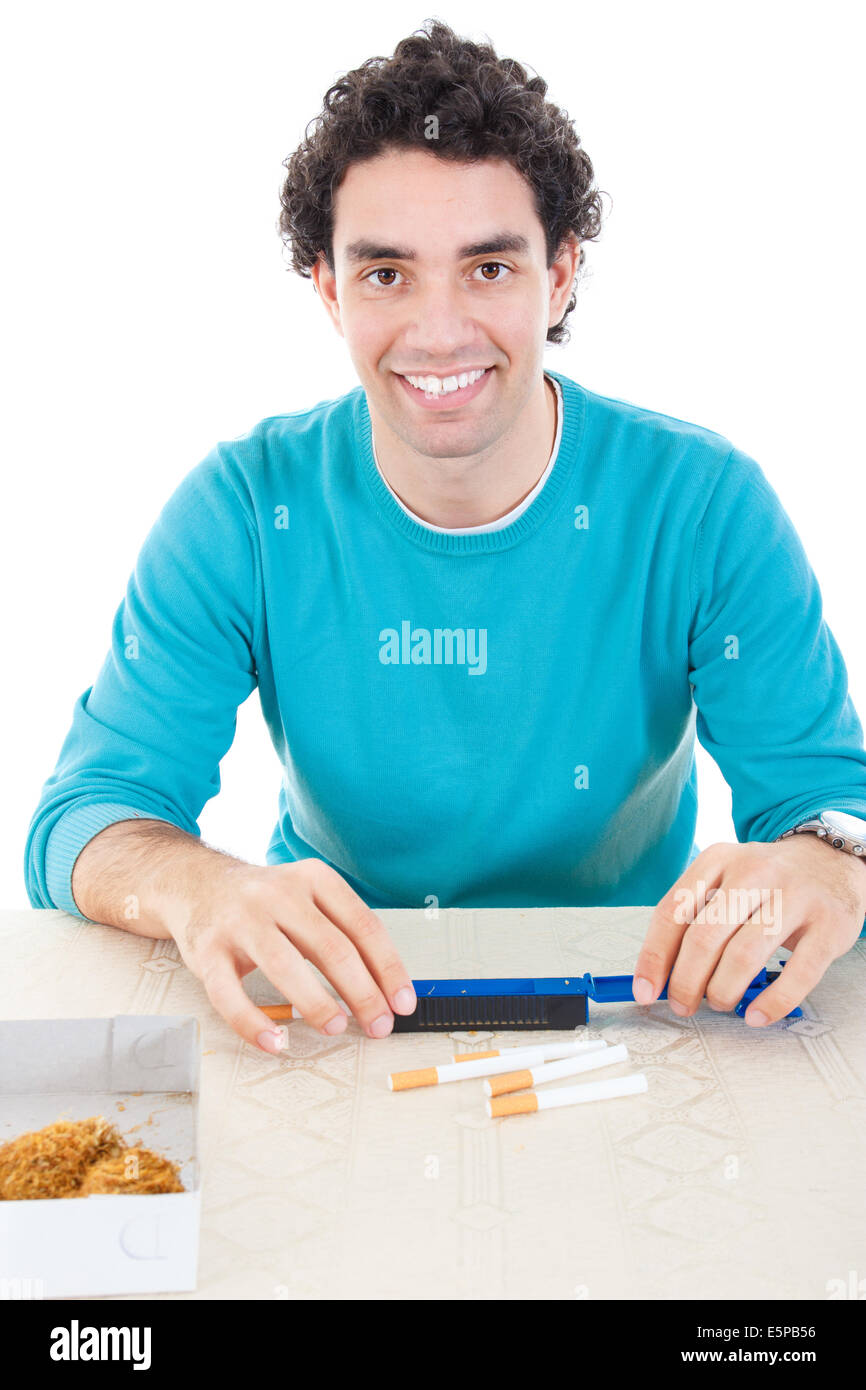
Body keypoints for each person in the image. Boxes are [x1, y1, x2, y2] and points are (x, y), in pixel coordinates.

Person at [24, 20, 866, 1053]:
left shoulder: (702, 503)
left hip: (633, 1001)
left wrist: (824, 859)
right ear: (329, 289)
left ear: (558, 276)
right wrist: (199, 886)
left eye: (487, 269)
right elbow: (86, 814)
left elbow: (831, 801)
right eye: (386, 274)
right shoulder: (242, 509)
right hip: (340, 1002)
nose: (436, 331)